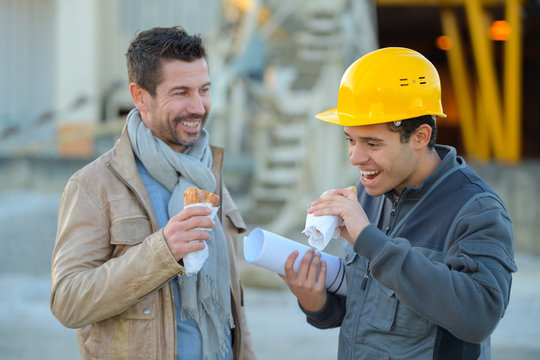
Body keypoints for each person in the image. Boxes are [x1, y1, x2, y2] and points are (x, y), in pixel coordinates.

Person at [281, 47, 517, 359]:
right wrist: (316, 302)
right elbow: (363, 309)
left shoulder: (476, 210)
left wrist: (372, 243)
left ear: (420, 136)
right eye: (351, 140)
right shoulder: (368, 193)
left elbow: (479, 318)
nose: (355, 157)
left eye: (372, 143)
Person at [50, 26, 256, 360]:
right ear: (140, 96)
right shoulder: (93, 185)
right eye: (181, 93)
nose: (199, 106)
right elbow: (67, 302)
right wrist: (162, 251)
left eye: (204, 89)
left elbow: (233, 306)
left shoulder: (209, 175)